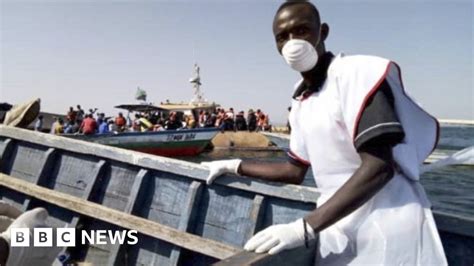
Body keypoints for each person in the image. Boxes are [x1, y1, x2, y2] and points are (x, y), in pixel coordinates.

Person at [201, 1, 447, 265]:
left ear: (323, 31)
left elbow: (379, 166)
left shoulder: (357, 75)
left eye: (302, 30)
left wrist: (304, 227)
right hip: (336, 223)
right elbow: (294, 171)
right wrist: (235, 165)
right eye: (282, 37)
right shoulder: (300, 100)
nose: (292, 42)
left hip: (388, 220)